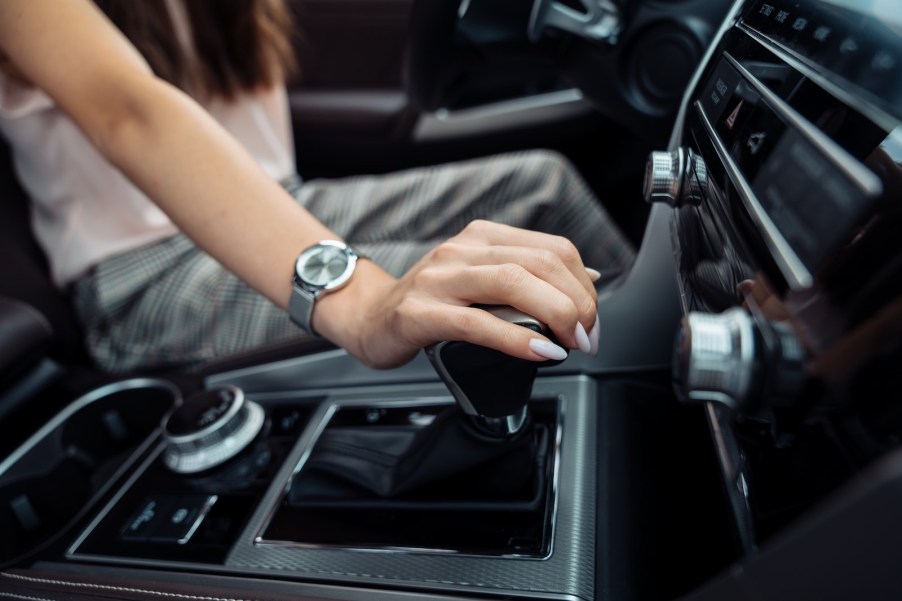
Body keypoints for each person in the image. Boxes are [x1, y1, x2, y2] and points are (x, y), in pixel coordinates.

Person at [0, 0, 636, 374]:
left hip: (279, 204)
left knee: (540, 184)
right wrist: (360, 302)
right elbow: (129, 112)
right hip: (147, 274)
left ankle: (650, 349)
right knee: (454, 296)